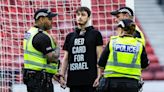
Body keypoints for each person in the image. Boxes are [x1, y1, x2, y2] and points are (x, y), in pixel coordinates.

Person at [97, 19, 149, 92]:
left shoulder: (113, 41)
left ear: (121, 29)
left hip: (112, 82)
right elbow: (145, 65)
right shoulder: (139, 44)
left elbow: (101, 63)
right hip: (132, 83)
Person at [59, 6, 103, 92]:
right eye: (78, 15)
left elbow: (99, 57)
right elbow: (66, 58)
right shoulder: (70, 36)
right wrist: (62, 75)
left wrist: (99, 76)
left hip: (90, 80)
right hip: (74, 80)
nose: (80, 17)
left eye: (83, 15)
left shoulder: (96, 34)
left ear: (89, 17)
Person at [23, 9, 60, 92]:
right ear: (41, 19)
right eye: (49, 19)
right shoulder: (42, 36)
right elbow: (52, 58)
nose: (52, 21)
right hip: (40, 80)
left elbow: (39, 58)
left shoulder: (29, 33)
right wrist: (57, 46)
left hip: (33, 78)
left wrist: (52, 73)